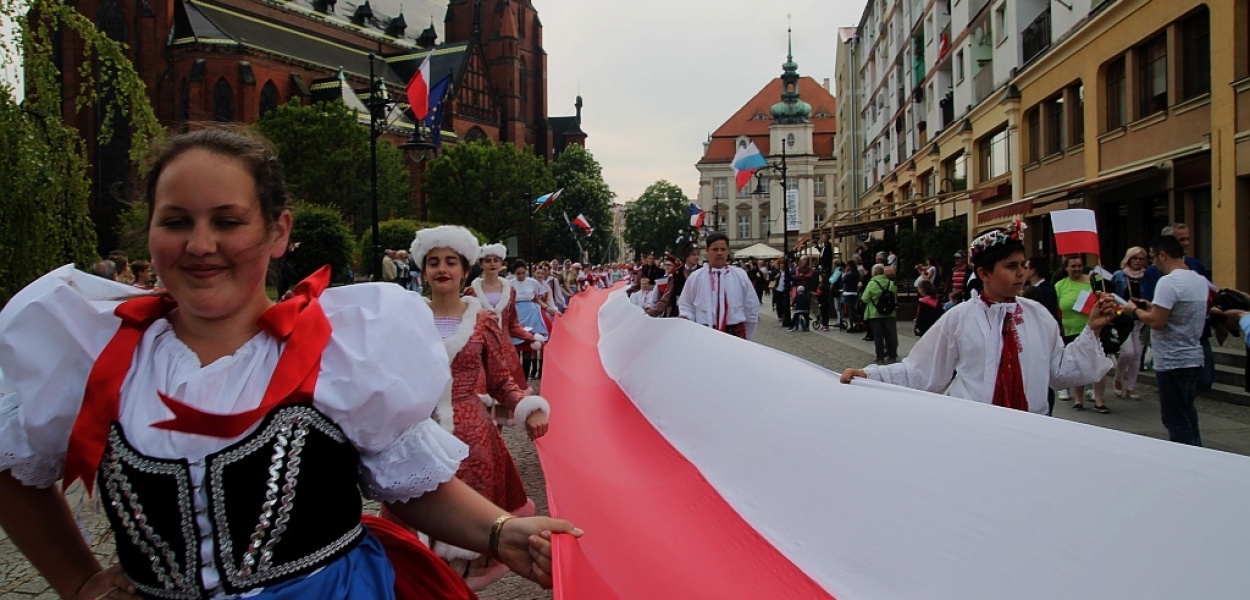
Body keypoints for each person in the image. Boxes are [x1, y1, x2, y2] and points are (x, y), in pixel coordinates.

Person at [0, 128, 577, 600]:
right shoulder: (95, 351)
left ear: (278, 232)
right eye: (176, 221)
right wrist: (78, 580)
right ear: (149, 230)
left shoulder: (342, 348)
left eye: (227, 221)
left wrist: (499, 531)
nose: (201, 244)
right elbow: (13, 471)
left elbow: (408, 484)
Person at [390, 225, 553, 588]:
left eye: (451, 261)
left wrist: (529, 407)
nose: (442, 268)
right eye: (433, 262)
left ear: (465, 270)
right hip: (416, 435)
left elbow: (500, 380)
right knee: (415, 528)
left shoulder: (481, 321)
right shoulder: (408, 317)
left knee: (466, 532)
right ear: (423, 270)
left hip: (471, 437)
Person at [841, 221, 1116, 414]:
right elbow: (921, 371)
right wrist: (870, 375)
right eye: (1010, 267)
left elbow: (1058, 372)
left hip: (1032, 431)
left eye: (1023, 265)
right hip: (975, 430)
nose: (1021, 273)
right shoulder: (960, 319)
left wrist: (1092, 330)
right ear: (983, 274)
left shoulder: (1038, 316)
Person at [1130, 235, 1209, 446]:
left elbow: (1156, 321)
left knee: (1175, 419)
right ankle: (1198, 455)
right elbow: (1175, 312)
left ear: (1163, 255)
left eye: (1153, 257)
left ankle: (1185, 463)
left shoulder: (1169, 281)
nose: (1152, 264)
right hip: (1193, 356)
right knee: (1188, 415)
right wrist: (1150, 307)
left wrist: (1135, 310)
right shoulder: (1199, 280)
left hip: (1172, 359)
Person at [465, 244, 540, 391]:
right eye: (488, 260)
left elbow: (513, 325)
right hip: (480, 348)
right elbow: (465, 322)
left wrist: (532, 337)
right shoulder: (471, 291)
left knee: (508, 395)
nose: (492, 264)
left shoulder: (510, 291)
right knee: (481, 395)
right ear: (481, 264)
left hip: (505, 348)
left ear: (502, 264)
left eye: (496, 260)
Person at [1053, 255, 1110, 412]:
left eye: (1079, 265)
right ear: (1066, 268)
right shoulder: (1060, 285)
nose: (1077, 268)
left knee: (1098, 364)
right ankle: (1079, 400)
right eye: (1073, 266)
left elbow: (1106, 296)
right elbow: (1055, 306)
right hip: (1072, 330)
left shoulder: (1094, 280)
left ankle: (1099, 400)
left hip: (1096, 328)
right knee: (1077, 364)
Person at [677, 233, 760, 339]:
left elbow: (751, 306)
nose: (719, 253)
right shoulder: (696, 277)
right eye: (715, 249)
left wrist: (748, 336)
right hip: (704, 330)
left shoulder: (740, 275)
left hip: (734, 331)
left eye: (723, 249)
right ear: (707, 251)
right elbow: (686, 305)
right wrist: (689, 323)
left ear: (728, 251)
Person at [1112, 247, 1149, 400]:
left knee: (1137, 355)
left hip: (1141, 318)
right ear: (1129, 259)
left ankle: (1131, 387)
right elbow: (1113, 294)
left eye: (1141, 259)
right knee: (1128, 352)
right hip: (1124, 318)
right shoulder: (1119, 275)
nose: (1138, 262)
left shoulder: (1147, 276)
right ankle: (1118, 378)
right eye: (1135, 258)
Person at [510, 259, 552, 381]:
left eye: (523, 273)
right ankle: (516, 377)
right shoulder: (510, 284)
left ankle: (525, 377)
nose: (521, 276)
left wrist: (547, 308)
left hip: (531, 313)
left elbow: (535, 298)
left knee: (529, 345)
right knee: (515, 346)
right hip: (516, 313)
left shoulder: (533, 283)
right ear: (514, 273)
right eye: (518, 273)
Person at [861, 263, 899, 363]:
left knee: (878, 336)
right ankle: (892, 355)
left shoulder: (872, 283)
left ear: (874, 272)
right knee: (889, 335)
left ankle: (880, 357)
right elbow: (894, 298)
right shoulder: (890, 283)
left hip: (874, 313)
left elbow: (864, 298)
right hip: (889, 313)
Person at [648, 242, 697, 318]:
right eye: (694, 255)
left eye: (697, 255)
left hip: (698, 313)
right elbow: (667, 296)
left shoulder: (701, 272)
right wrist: (653, 311)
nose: (697, 257)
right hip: (678, 313)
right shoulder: (676, 274)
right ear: (686, 257)